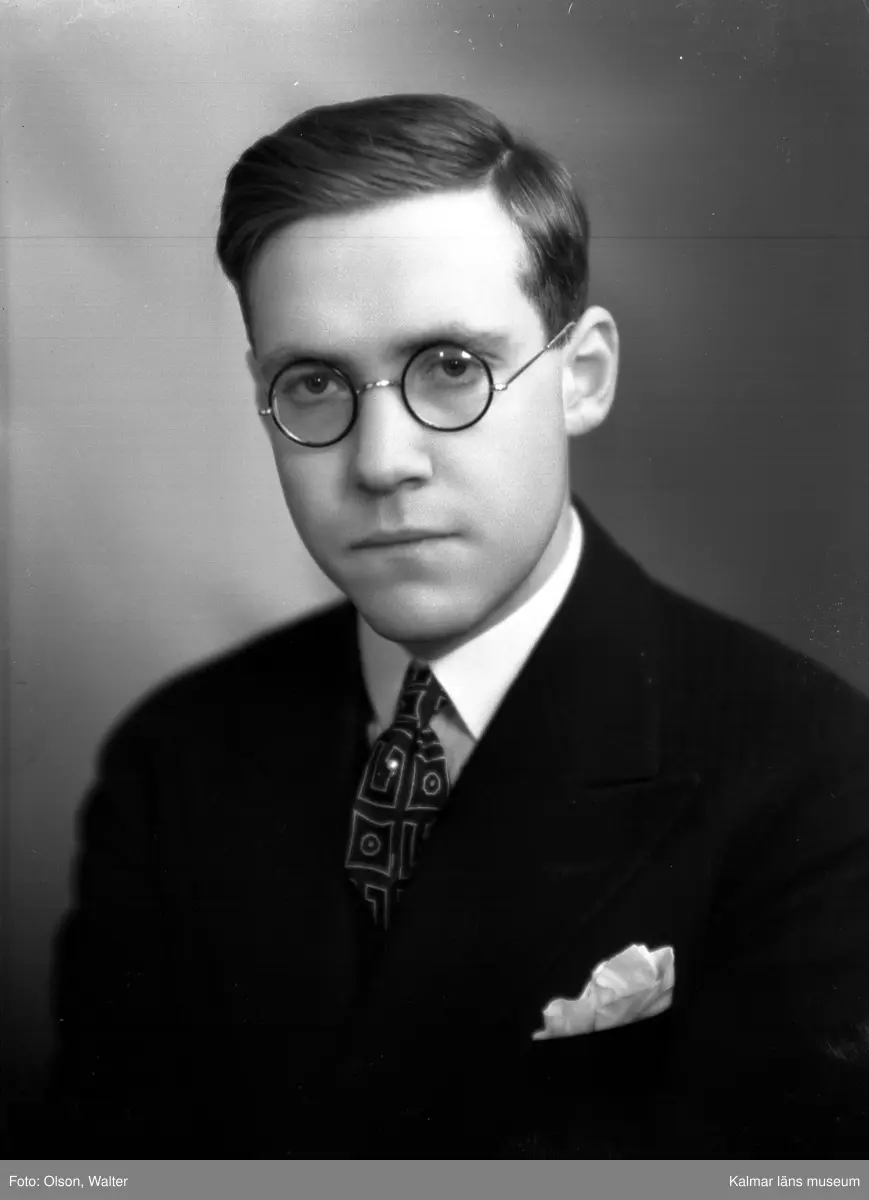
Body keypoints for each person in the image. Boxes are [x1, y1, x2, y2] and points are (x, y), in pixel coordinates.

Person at [43, 93, 869, 1158]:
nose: (381, 461)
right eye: (313, 383)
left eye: (450, 368)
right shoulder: (174, 761)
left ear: (581, 378)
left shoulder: (814, 777)